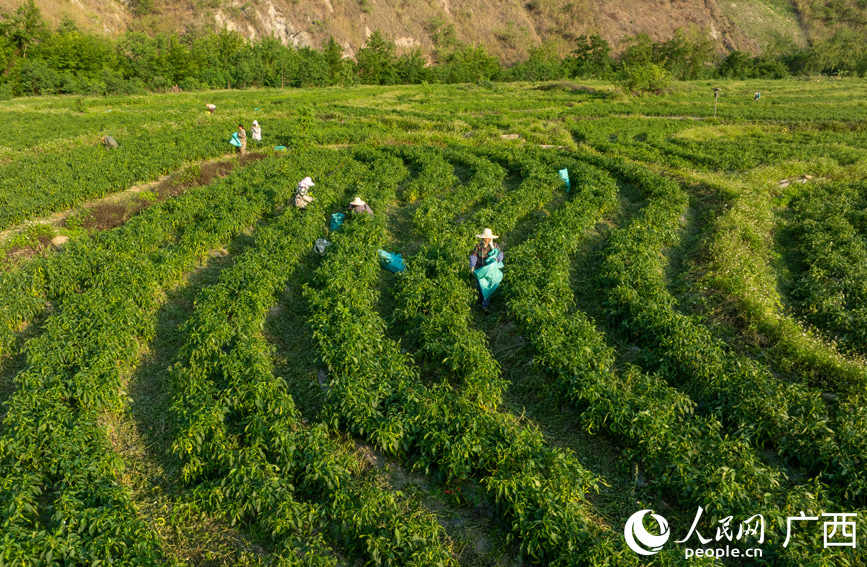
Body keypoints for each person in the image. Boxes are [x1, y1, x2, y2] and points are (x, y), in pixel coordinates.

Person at [469, 228, 504, 311]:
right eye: (485, 238)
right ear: (482, 238)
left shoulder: (494, 246)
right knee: (480, 286)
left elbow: (501, 254)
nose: (487, 240)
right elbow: (474, 256)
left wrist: (497, 259)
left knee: (486, 286)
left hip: (489, 271)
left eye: (488, 238)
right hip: (480, 270)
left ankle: (485, 306)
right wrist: (472, 266)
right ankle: (481, 300)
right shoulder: (478, 246)